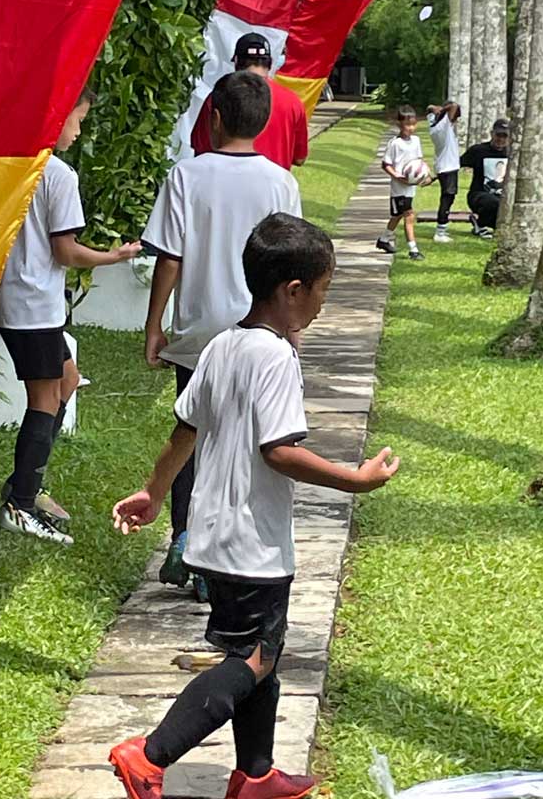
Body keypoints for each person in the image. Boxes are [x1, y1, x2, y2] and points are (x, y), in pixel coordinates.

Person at [109, 213, 399, 799]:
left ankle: (256, 775)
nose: (322, 304)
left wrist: (154, 492)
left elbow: (183, 431)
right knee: (255, 659)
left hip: (214, 535)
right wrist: (355, 479)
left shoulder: (222, 345)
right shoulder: (275, 358)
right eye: (323, 291)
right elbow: (280, 452)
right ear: (293, 290)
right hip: (252, 543)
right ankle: (149, 753)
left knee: (266, 648)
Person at [143, 70, 302, 600]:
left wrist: (155, 326)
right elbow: (290, 260)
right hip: (260, 328)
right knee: (251, 440)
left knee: (193, 433)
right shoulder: (280, 181)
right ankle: (230, 550)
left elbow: (170, 257)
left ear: (211, 118)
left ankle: (186, 537)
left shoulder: (187, 175)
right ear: (264, 123)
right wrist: (292, 330)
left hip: (199, 332)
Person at [0, 88, 141, 544]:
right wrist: (115, 256)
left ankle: (26, 486)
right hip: (33, 305)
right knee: (45, 399)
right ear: (58, 119)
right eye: (78, 120)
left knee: (68, 381)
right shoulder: (58, 175)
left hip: (23, 302)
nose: (78, 131)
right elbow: (66, 251)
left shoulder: (12, 165)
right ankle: (19, 506)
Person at [190, 33, 308, 170]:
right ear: (269, 63)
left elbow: (201, 148)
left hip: (223, 185)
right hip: (274, 186)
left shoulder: (219, 96)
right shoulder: (292, 102)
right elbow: (299, 158)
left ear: (237, 61)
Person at [376, 105, 427, 261]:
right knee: (409, 215)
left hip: (410, 187)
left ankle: (383, 240)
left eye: (413, 124)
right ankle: (413, 249)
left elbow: (419, 161)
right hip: (399, 188)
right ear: (399, 124)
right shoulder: (395, 143)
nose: (411, 128)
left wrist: (424, 175)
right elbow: (386, 164)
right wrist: (397, 176)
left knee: (397, 215)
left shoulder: (416, 141)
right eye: (407, 125)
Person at [460, 117, 510, 239]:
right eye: (499, 135)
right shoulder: (479, 150)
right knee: (493, 202)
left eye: (505, 136)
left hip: (504, 195)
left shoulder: (513, 153)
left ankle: (484, 224)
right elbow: (455, 165)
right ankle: (481, 223)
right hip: (479, 195)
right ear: (492, 134)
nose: (501, 139)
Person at [426, 101, 462, 244]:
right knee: (447, 199)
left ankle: (442, 230)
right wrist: (443, 110)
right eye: (455, 117)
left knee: (447, 198)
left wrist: (436, 109)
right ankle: (440, 232)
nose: (456, 120)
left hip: (444, 167)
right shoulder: (443, 126)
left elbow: (429, 108)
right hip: (448, 167)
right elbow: (453, 105)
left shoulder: (434, 124)